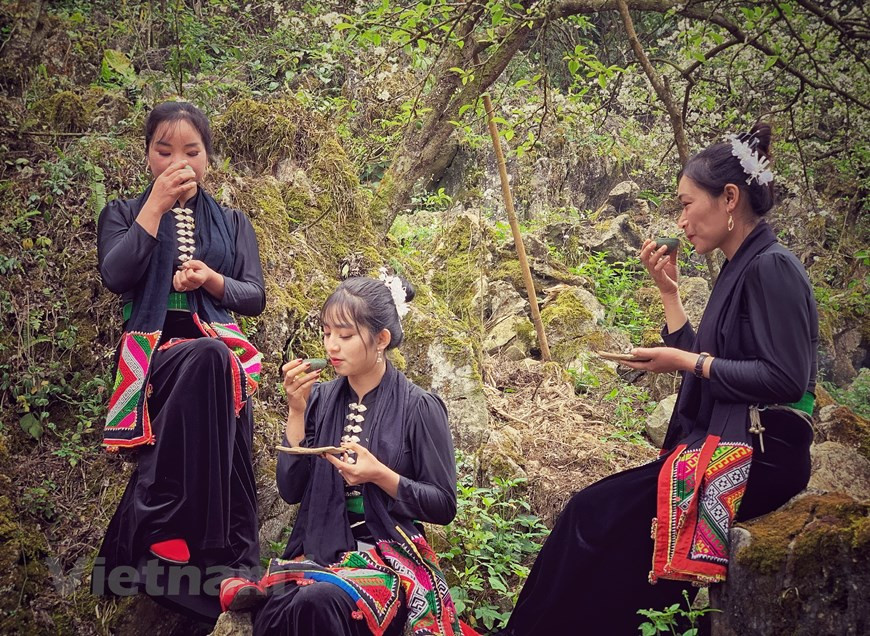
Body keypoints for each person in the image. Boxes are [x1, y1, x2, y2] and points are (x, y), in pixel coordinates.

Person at [494, 124, 818, 635]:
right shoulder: (740, 266)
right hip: (730, 441)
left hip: (764, 453)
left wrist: (687, 363)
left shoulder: (772, 267)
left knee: (592, 516)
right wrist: (670, 297)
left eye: (687, 204)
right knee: (595, 519)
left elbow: (783, 376)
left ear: (729, 198)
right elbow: (714, 368)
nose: (681, 221)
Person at [92, 101, 265, 622]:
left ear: (208, 159)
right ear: (147, 155)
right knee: (211, 362)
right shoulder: (123, 212)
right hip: (154, 358)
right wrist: (156, 208)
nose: (177, 161)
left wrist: (210, 280)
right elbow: (117, 275)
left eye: (191, 151)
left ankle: (228, 570)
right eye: (163, 150)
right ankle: (185, 540)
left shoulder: (233, 222)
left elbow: (254, 296)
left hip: (219, 350)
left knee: (218, 369)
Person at [232, 273, 462, 636]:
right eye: (326, 334)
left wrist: (380, 476)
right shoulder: (320, 399)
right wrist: (296, 410)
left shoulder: (419, 407)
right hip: (318, 553)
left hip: (387, 559)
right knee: (279, 609)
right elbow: (291, 490)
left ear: (381, 339)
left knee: (317, 603)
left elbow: (444, 505)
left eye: (345, 335)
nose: (331, 347)